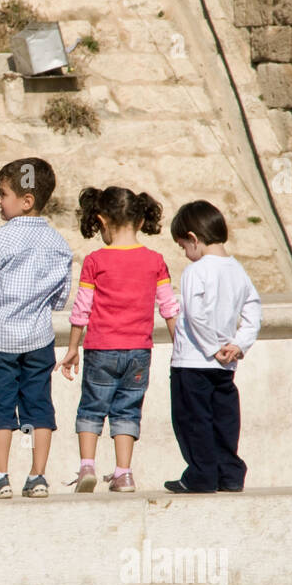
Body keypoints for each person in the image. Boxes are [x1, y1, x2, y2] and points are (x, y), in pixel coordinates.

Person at [59, 186, 179, 493]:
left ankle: (87, 466)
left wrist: (73, 347)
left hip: (101, 348)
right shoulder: (155, 260)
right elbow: (168, 306)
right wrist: (181, 341)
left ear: (100, 220)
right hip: (139, 350)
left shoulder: (95, 260)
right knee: (127, 410)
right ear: (140, 222)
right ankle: (123, 473)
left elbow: (82, 310)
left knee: (91, 407)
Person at [0, 158, 72, 499]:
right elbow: (59, 299)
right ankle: (37, 476)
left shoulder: (1, 239)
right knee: (37, 405)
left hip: (0, 337)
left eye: (3, 193)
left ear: (25, 200)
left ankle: (0, 476)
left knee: (0, 405)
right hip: (39, 338)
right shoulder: (59, 243)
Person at [164, 199, 261, 493]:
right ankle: (229, 474)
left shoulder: (196, 271)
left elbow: (194, 313)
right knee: (224, 420)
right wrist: (238, 345)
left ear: (193, 239)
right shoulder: (237, 270)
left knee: (192, 421)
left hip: (193, 362)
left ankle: (201, 475)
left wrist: (212, 347)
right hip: (224, 365)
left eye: (183, 245)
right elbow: (253, 310)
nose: (185, 253)